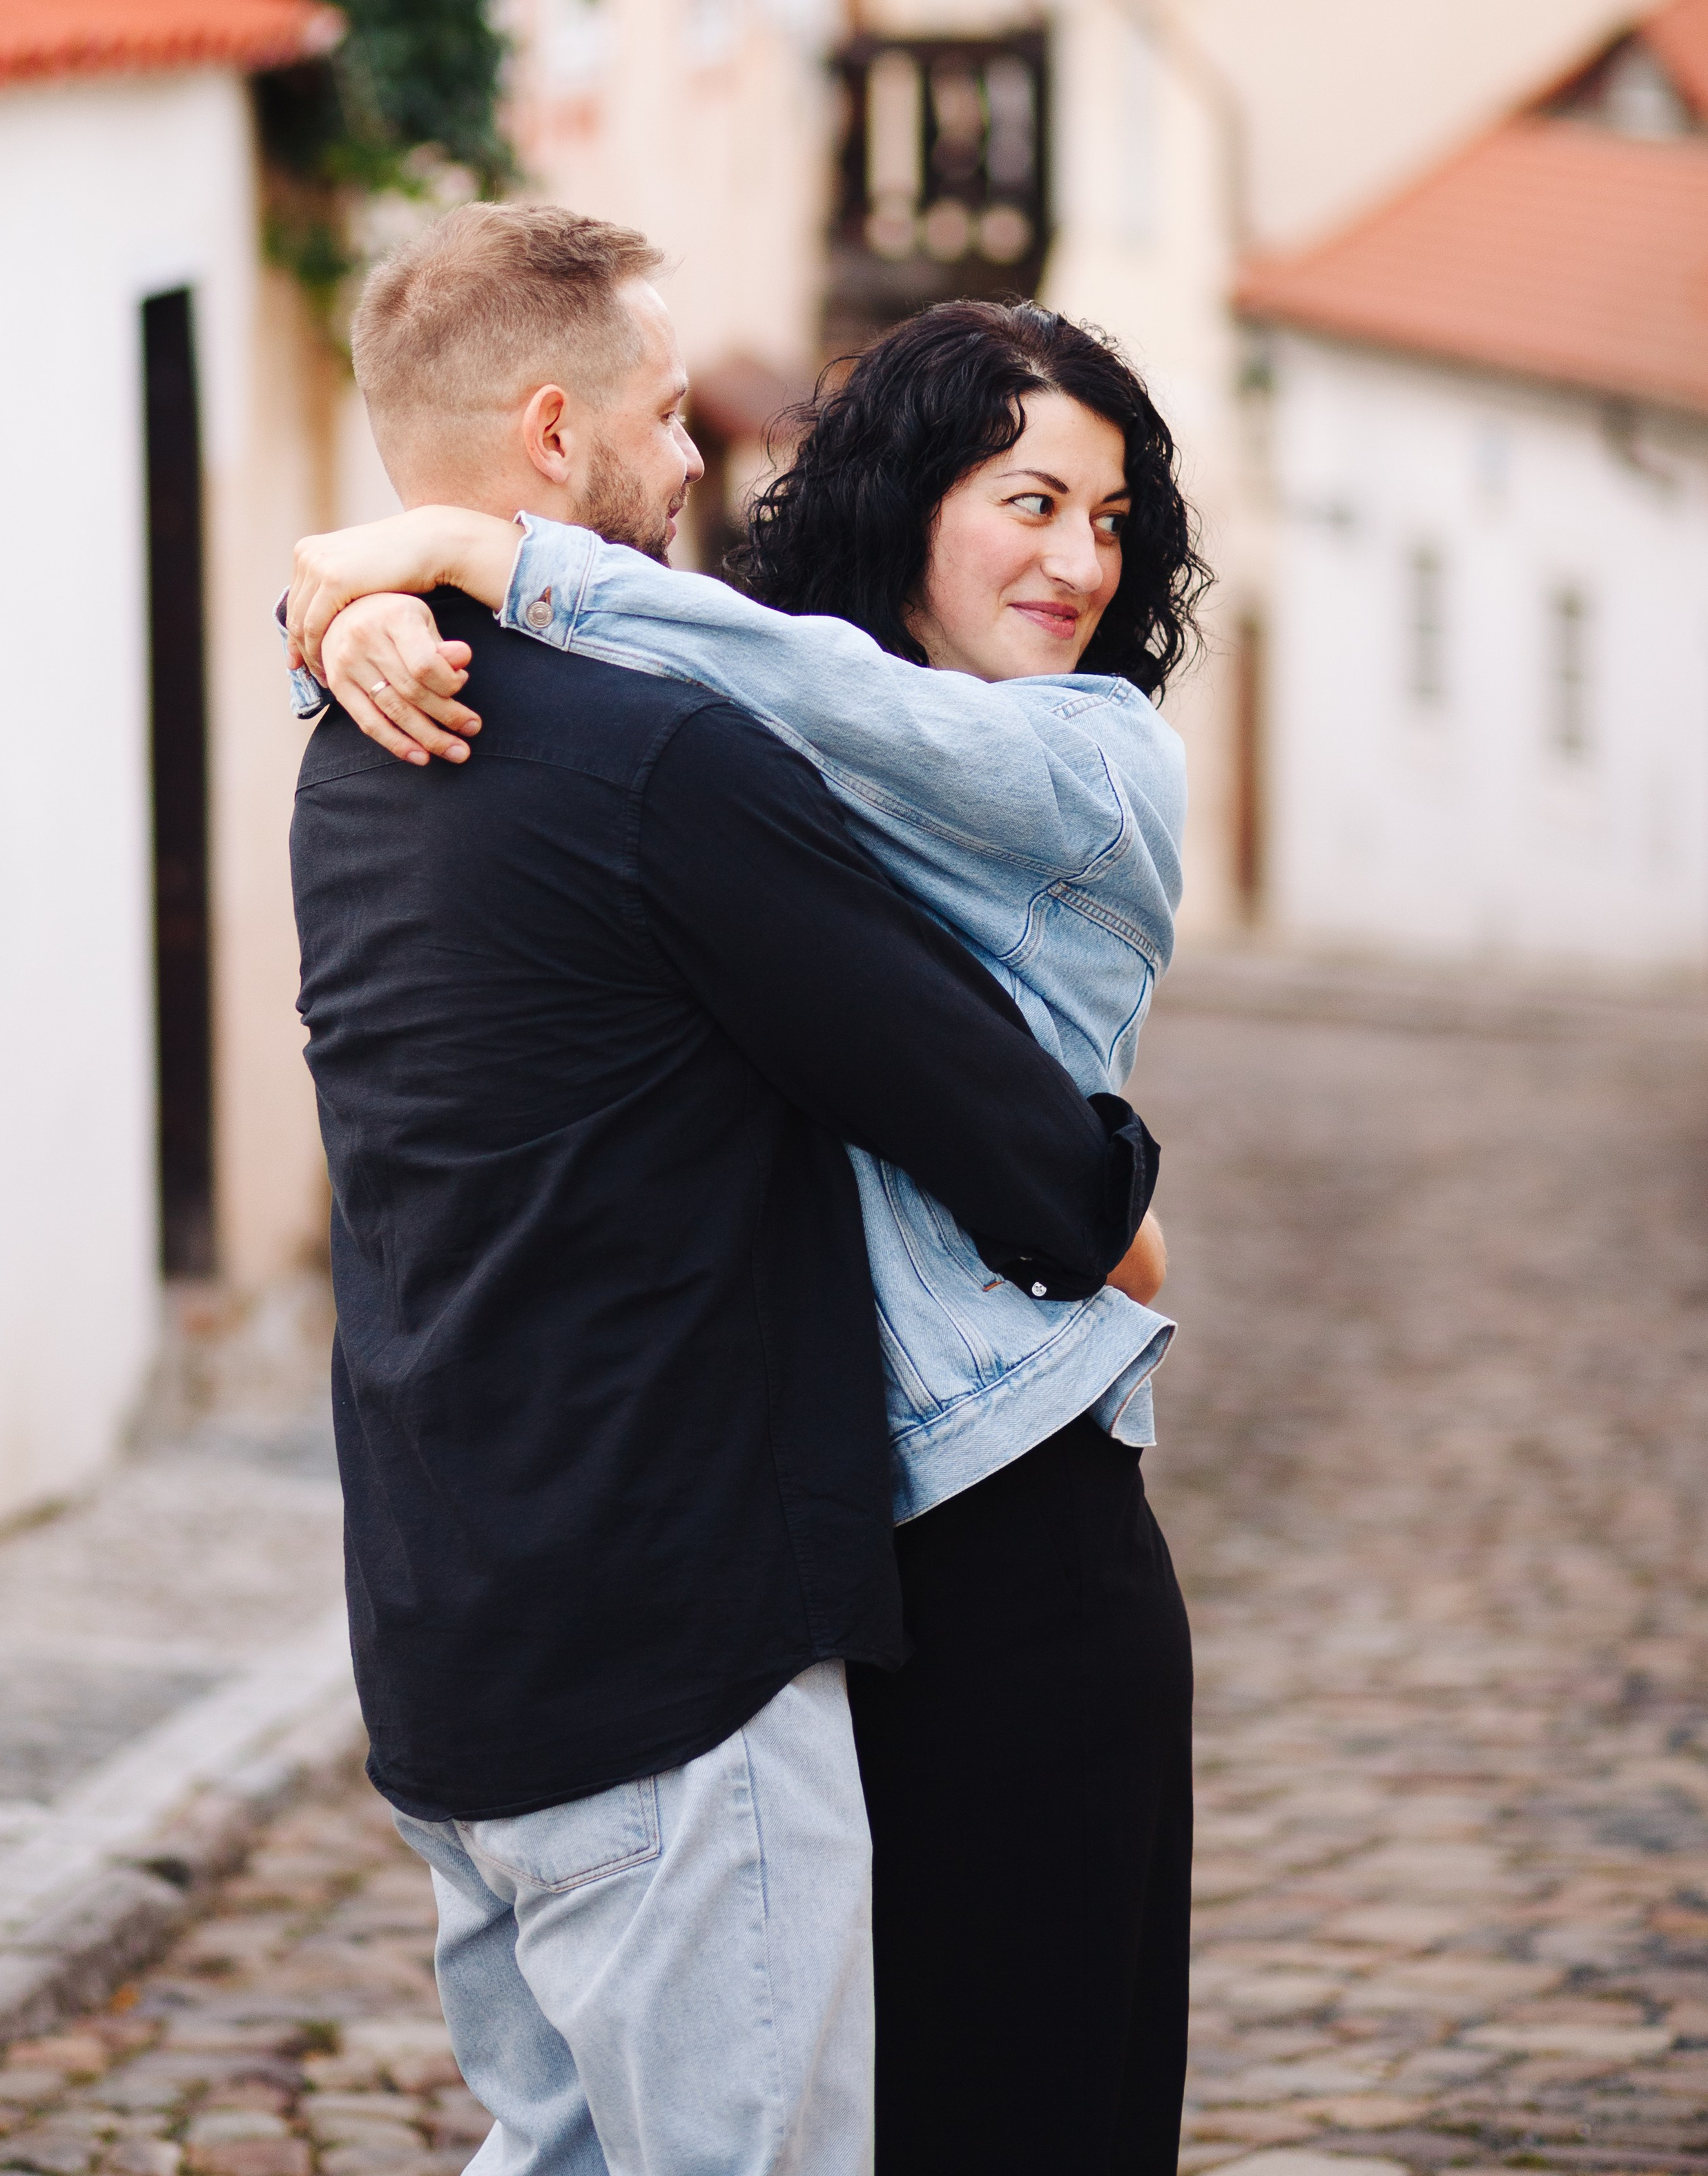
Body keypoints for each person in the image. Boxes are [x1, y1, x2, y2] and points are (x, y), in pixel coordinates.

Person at [287, 251, 1208, 2176]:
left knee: (1009, 2112)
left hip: (1000, 1520)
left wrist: (448, 550)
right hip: (802, 1564)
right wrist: (342, 604)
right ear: (907, 514)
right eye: (1027, 504)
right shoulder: (709, 733)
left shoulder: (1083, 753)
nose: (1081, 562)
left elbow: (776, 695)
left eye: (1110, 518)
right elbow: (700, 694)